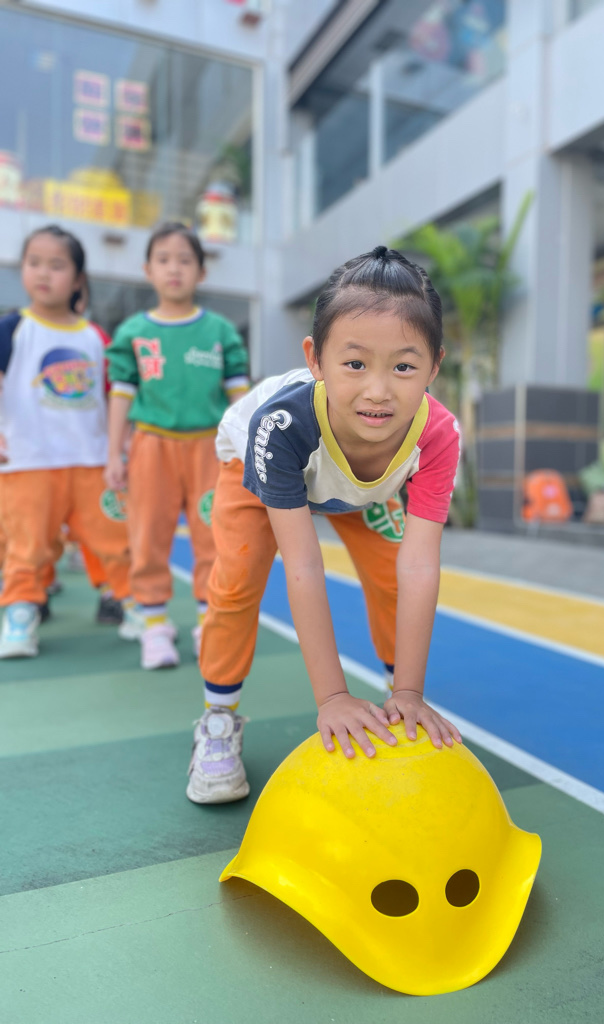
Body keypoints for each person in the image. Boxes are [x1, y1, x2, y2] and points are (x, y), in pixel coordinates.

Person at [187, 246, 462, 804]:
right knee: (237, 579)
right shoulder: (281, 424)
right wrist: (333, 697)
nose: (378, 391)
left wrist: (411, 691)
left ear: (434, 366)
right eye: (355, 364)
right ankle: (218, 715)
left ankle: (398, 700)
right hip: (258, 468)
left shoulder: (438, 433)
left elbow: (419, 565)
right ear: (315, 358)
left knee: (391, 577)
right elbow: (304, 566)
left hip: (359, 489)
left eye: (403, 367)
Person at [105, 222, 249, 670]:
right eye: (164, 259)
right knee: (147, 535)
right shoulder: (133, 332)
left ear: (201, 272)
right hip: (151, 446)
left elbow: (240, 396)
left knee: (213, 536)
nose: (174, 269)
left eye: (185, 260)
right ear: (147, 269)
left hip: (211, 448)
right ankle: (154, 625)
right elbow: (120, 395)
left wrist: (248, 449)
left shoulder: (221, 331)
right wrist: (114, 453)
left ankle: (209, 622)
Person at [0, 225, 131, 658]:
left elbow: (115, 397)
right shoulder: (12, 328)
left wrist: (120, 449)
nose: (43, 273)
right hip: (27, 463)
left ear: (77, 279)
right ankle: (21, 616)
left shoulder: (95, 337)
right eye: (34, 263)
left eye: (56, 265)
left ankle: (136, 606)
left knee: (115, 539)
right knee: (27, 546)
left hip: (92, 463)